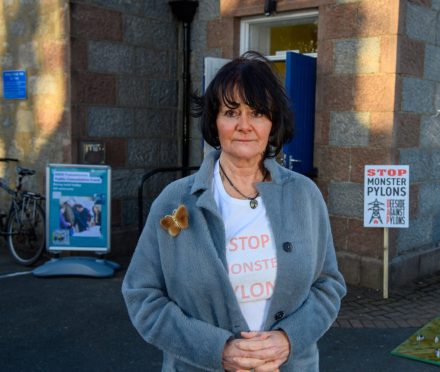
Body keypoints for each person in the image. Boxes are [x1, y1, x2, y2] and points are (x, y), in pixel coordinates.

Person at [122, 51, 346, 372]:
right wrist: (216, 350)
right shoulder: (175, 200)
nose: (244, 125)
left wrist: (289, 338)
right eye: (231, 112)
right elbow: (142, 295)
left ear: (273, 122)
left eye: (257, 113)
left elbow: (328, 285)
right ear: (215, 121)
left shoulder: (305, 195)